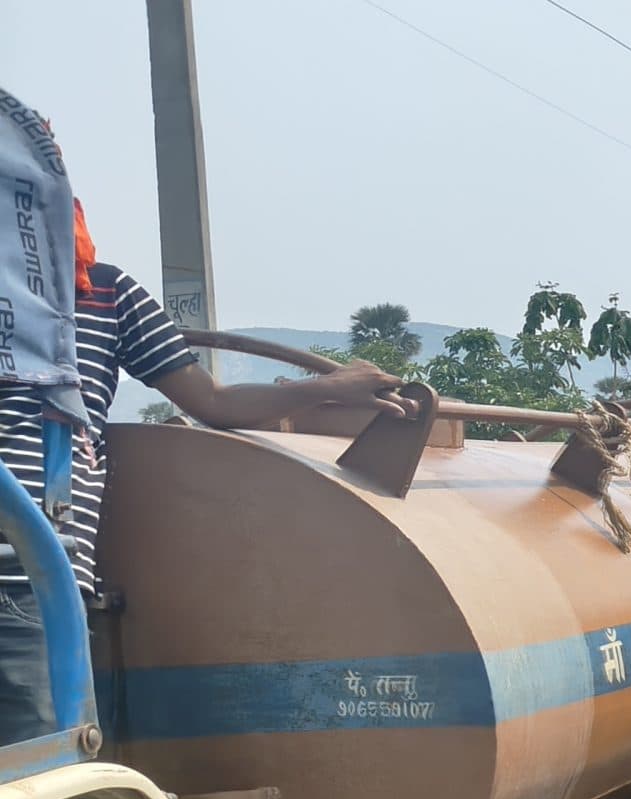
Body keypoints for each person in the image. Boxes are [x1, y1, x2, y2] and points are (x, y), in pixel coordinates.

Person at [0, 101, 412, 741]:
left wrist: (328, 388)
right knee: (41, 793)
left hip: (35, 588)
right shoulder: (98, 288)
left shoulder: (105, 292)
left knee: (36, 790)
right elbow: (214, 403)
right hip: (38, 586)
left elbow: (212, 403)